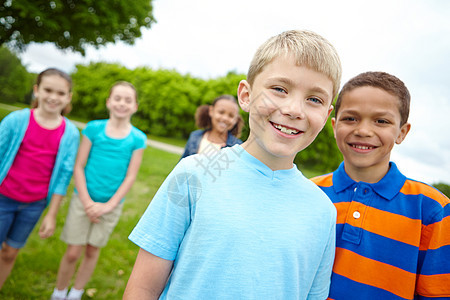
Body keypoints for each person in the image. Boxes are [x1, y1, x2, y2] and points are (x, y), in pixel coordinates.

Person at [124, 29, 342, 299]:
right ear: (246, 95)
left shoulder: (322, 211)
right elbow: (143, 288)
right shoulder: (193, 174)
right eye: (279, 89)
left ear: (327, 114)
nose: (294, 110)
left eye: (314, 99)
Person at [311, 71, 450, 300]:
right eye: (350, 118)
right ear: (334, 125)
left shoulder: (433, 209)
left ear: (402, 132)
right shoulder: (309, 193)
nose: (363, 130)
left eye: (381, 121)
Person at [50, 81, 147, 300]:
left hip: (110, 206)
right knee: (73, 252)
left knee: (92, 250)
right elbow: (79, 166)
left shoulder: (138, 139)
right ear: (109, 102)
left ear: (135, 106)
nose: (122, 103)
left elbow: (131, 176)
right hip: (83, 200)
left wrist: (108, 206)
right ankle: (59, 292)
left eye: (128, 100)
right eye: (118, 98)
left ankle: (76, 293)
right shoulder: (93, 128)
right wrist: (86, 201)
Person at [0, 68, 79, 289]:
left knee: (10, 252)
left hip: (33, 205)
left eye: (61, 93)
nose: (54, 97)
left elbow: (64, 176)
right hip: (3, 197)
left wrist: (51, 214)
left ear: (68, 97)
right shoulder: (16, 121)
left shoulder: (70, 133)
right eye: (48, 90)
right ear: (37, 90)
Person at [180, 94, 243, 159]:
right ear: (211, 111)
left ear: (236, 119)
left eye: (231, 116)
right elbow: (181, 165)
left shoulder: (237, 147)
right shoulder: (195, 136)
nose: (225, 118)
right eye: (221, 112)